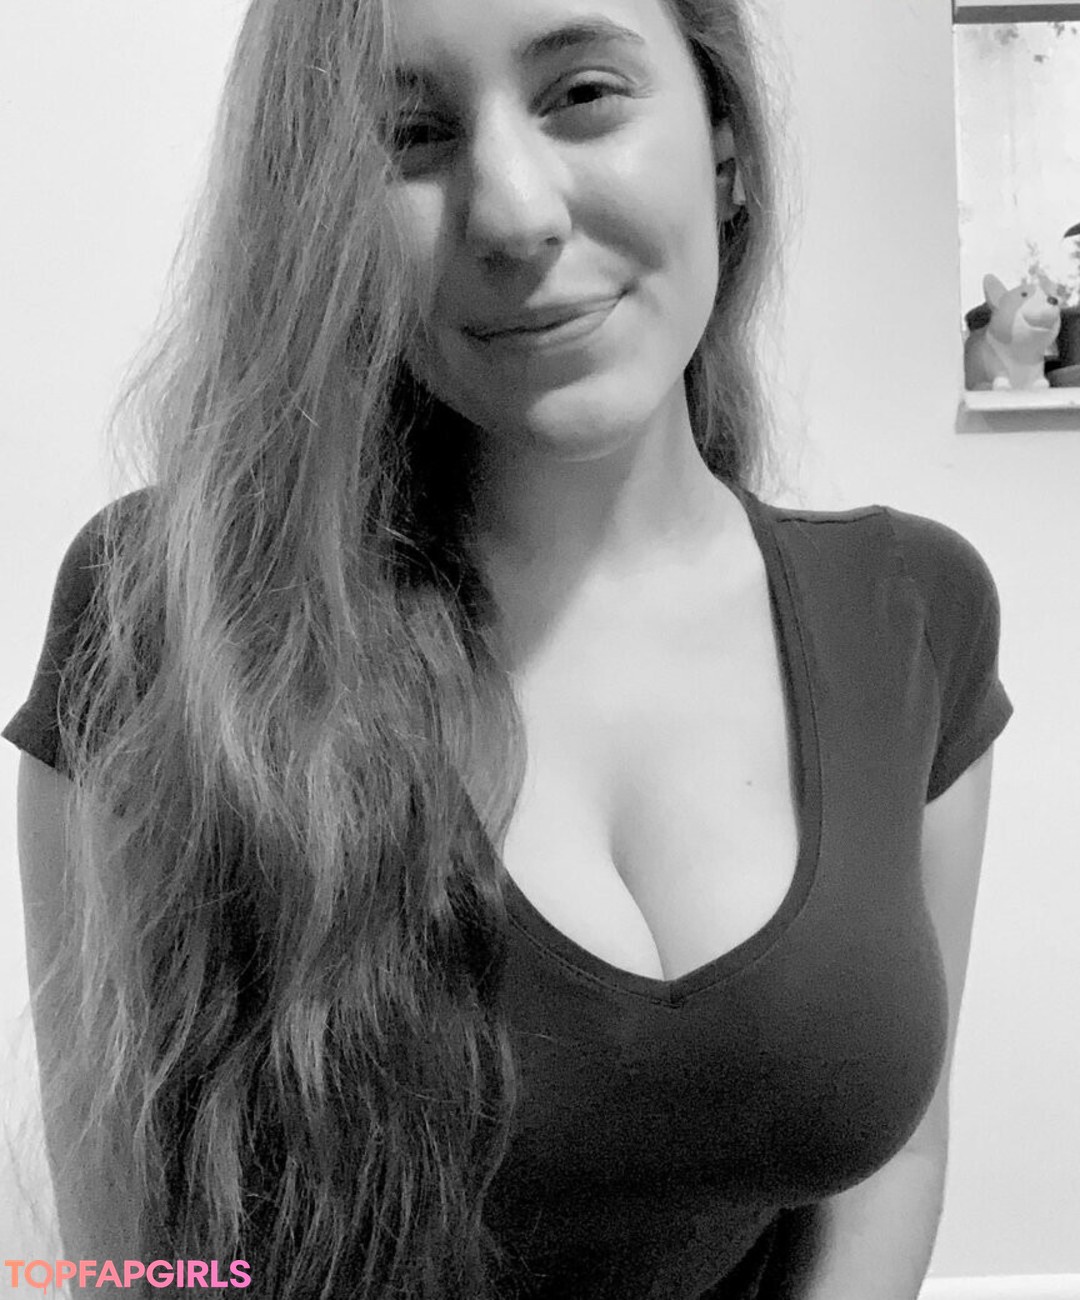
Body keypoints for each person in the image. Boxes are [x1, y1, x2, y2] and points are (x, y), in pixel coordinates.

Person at [4, 0, 1013, 1296]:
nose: (516, 213)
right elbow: (136, 1255)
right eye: (410, 135)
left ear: (725, 146)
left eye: (583, 94)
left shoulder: (913, 612)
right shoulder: (170, 616)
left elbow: (894, 1162)